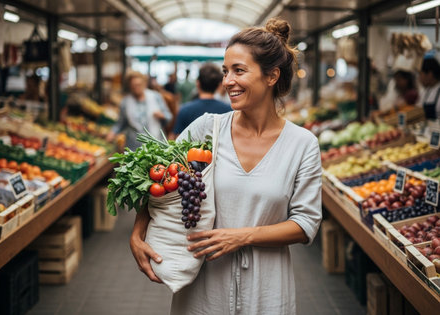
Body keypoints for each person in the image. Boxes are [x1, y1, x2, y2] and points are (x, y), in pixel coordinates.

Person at [129, 18, 322, 314]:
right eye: (225, 71)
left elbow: (306, 223)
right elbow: (160, 181)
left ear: (271, 76)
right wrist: (138, 232)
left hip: (266, 290)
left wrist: (242, 235)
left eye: (239, 71)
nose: (227, 81)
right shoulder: (206, 129)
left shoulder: (302, 144)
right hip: (203, 289)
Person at [107, 71, 172, 150]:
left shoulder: (155, 97)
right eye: (133, 85)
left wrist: (162, 116)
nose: (137, 87)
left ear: (144, 84)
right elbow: (121, 123)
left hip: (156, 143)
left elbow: (169, 117)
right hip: (135, 146)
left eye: (139, 85)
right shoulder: (125, 102)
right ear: (130, 86)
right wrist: (113, 132)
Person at [171, 63, 232, 138]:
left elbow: (177, 138)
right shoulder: (228, 111)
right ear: (219, 85)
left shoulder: (185, 110)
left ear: (197, 83)